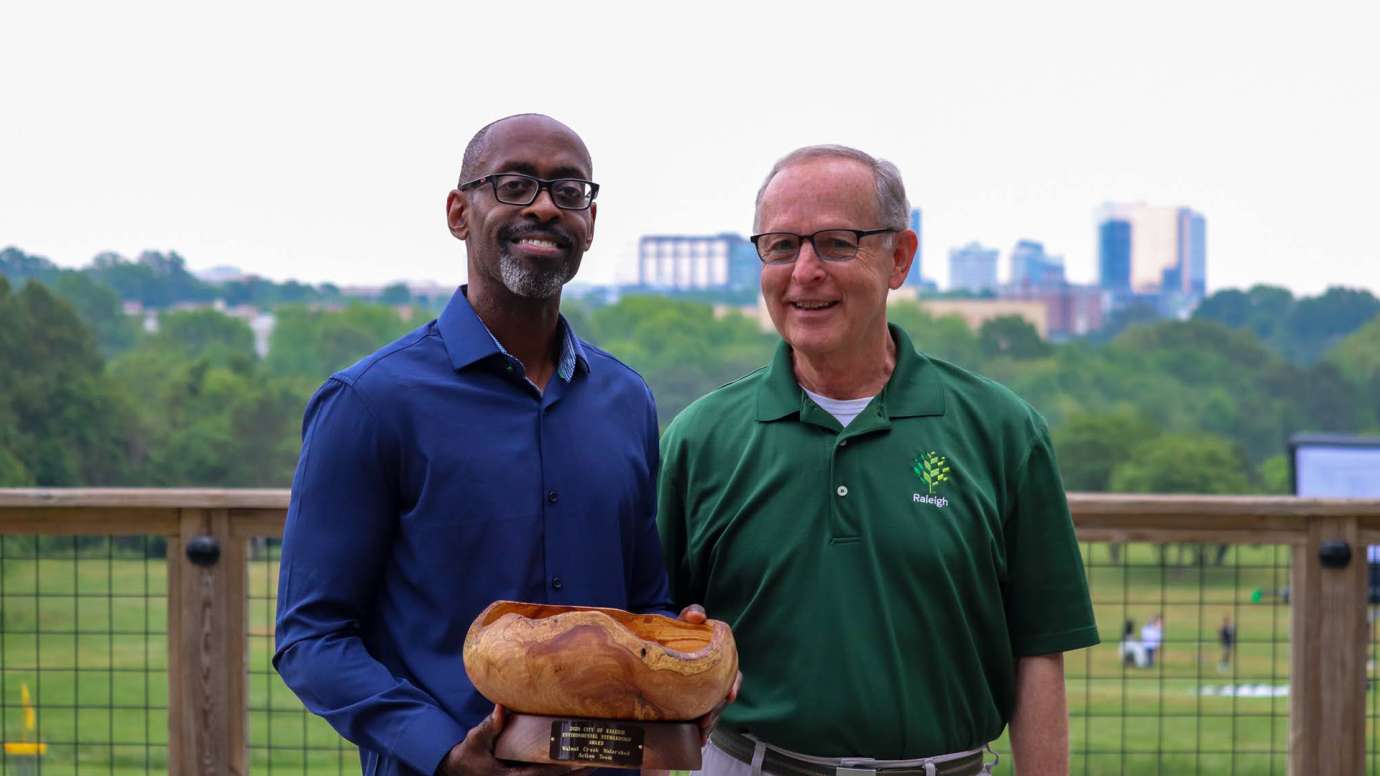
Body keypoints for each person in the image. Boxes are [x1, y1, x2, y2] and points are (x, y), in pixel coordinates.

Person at [657, 145, 1099, 776]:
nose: (804, 271)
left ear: (900, 258)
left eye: (836, 243)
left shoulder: (1002, 431)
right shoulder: (700, 439)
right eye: (781, 245)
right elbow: (653, 641)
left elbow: (1039, 651)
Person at [274, 114, 676, 776]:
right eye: (515, 185)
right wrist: (441, 749)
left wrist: (679, 658)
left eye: (569, 191)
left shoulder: (626, 401)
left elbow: (645, 604)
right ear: (460, 212)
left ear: (592, 222)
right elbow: (311, 638)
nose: (545, 206)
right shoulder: (371, 404)